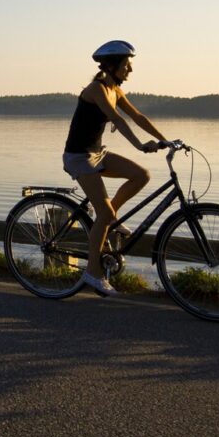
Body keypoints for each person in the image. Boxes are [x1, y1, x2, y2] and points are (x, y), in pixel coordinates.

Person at [63, 40, 169, 296]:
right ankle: (93, 273)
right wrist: (140, 145)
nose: (130, 70)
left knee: (141, 175)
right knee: (103, 214)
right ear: (112, 66)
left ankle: (111, 219)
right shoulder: (96, 89)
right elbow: (117, 119)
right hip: (78, 157)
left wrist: (165, 139)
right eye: (126, 65)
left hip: (97, 154)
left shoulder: (116, 90)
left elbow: (137, 116)